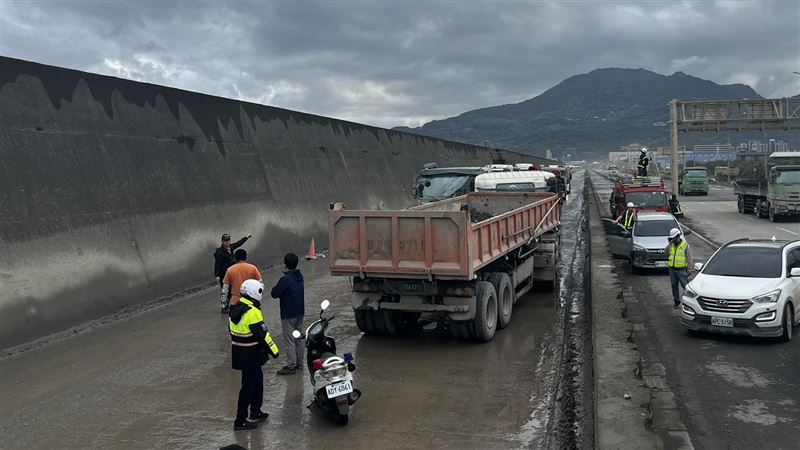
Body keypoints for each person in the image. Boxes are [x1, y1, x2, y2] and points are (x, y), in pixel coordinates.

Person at [229, 279, 280, 431]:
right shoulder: (253, 313)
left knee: (257, 383)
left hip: (241, 354)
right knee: (248, 388)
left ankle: (256, 411)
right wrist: (275, 351)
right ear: (254, 293)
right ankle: (240, 420)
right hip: (251, 356)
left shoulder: (236, 308)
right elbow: (263, 336)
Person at [270, 253, 305, 376]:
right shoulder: (299, 276)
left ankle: (291, 365)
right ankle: (300, 363)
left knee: (289, 340)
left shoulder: (285, 279)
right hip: (300, 313)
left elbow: (274, 293)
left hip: (288, 314)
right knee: (298, 339)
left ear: (285, 264)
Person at [214, 233, 251, 312]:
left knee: (232, 290)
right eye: (225, 241)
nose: (227, 242)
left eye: (228, 240)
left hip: (232, 273)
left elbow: (238, 243)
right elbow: (217, 264)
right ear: (222, 241)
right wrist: (217, 275)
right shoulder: (219, 252)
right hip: (223, 274)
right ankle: (224, 307)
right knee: (225, 291)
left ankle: (230, 304)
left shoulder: (231, 247)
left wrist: (246, 237)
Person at [666, 228, 693, 309]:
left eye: (674, 238)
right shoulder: (671, 245)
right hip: (672, 269)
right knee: (674, 286)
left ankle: (687, 303)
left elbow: (689, 257)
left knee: (685, 287)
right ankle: (677, 302)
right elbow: (665, 252)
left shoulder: (685, 245)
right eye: (671, 238)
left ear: (678, 236)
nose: (673, 239)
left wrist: (689, 268)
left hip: (681, 270)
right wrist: (669, 244)